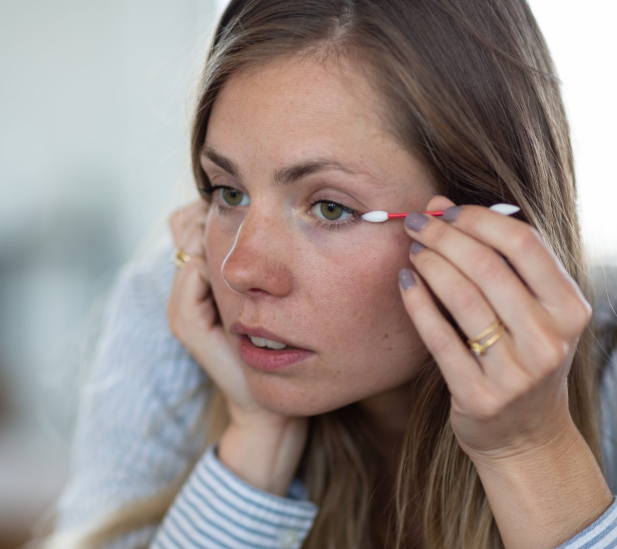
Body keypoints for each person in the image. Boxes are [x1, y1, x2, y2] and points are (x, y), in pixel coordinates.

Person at [31, 0, 617, 548]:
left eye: (330, 208)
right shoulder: (178, 305)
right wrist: (256, 440)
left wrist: (531, 450)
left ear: (485, 222)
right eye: (228, 192)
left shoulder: (607, 375)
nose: (239, 269)